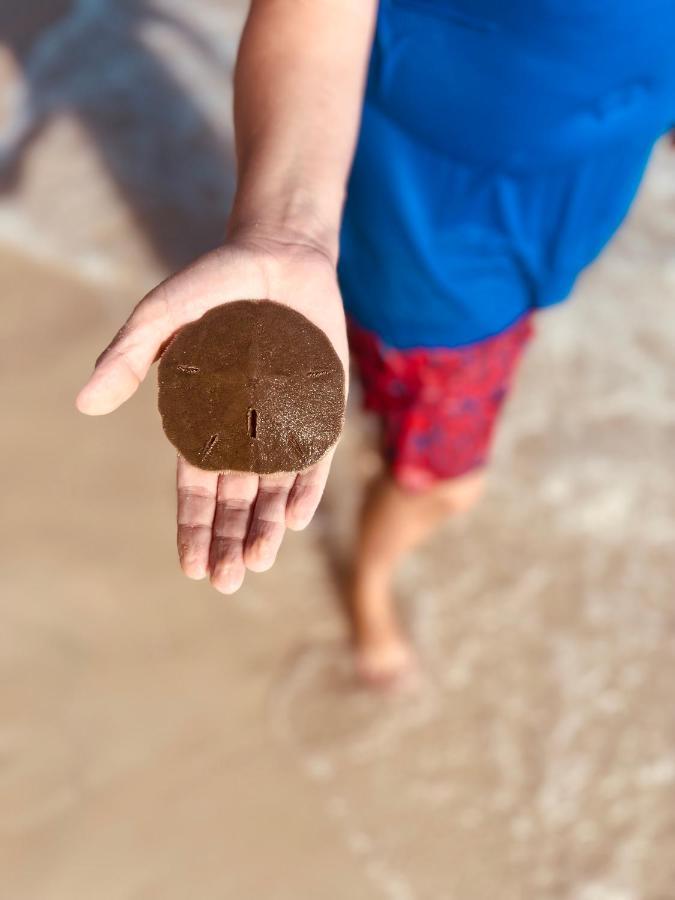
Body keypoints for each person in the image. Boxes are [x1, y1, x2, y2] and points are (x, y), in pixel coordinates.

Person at [76, 0, 675, 686]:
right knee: (443, 483)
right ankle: (369, 585)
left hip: (570, 185)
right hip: (440, 229)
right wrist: (285, 232)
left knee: (405, 390)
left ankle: (382, 419)